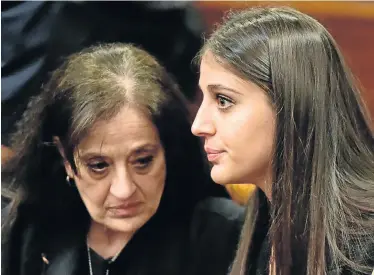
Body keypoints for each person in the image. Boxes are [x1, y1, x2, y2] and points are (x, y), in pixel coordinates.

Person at [1, 43, 244, 275]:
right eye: (99, 166)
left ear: (167, 149)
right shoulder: (23, 229)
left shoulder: (223, 235)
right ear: (65, 157)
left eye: (143, 161)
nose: (124, 190)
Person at [192, 6, 374, 275]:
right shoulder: (262, 222)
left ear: (292, 106)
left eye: (223, 100)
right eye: (204, 99)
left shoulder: (365, 244)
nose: (198, 126)